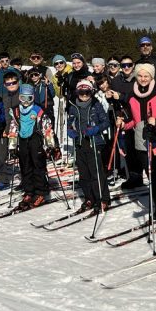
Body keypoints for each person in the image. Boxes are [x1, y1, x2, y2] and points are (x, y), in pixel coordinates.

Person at [116, 63, 156, 221]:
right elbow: (132, 120)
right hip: (140, 141)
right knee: (151, 176)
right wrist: (123, 124)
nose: (143, 79)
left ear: (152, 77)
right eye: (140, 75)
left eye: (146, 76)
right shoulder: (131, 95)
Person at [67, 80, 112, 213]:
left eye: (87, 92)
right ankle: (89, 198)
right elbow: (70, 122)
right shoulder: (73, 106)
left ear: (91, 92)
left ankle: (102, 199)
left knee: (96, 172)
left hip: (94, 141)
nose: (84, 95)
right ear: (77, 92)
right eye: (81, 92)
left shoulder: (96, 105)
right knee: (83, 173)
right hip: (80, 142)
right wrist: (70, 130)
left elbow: (106, 122)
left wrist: (95, 128)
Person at [14, 84, 54, 211]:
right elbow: (13, 127)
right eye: (23, 98)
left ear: (33, 98)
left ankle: (41, 192)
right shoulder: (16, 110)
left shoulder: (38, 110)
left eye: (29, 98)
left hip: (35, 139)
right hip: (22, 140)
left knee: (37, 165)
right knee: (25, 166)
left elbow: (47, 128)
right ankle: (29, 191)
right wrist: (12, 145)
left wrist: (50, 145)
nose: (26, 102)